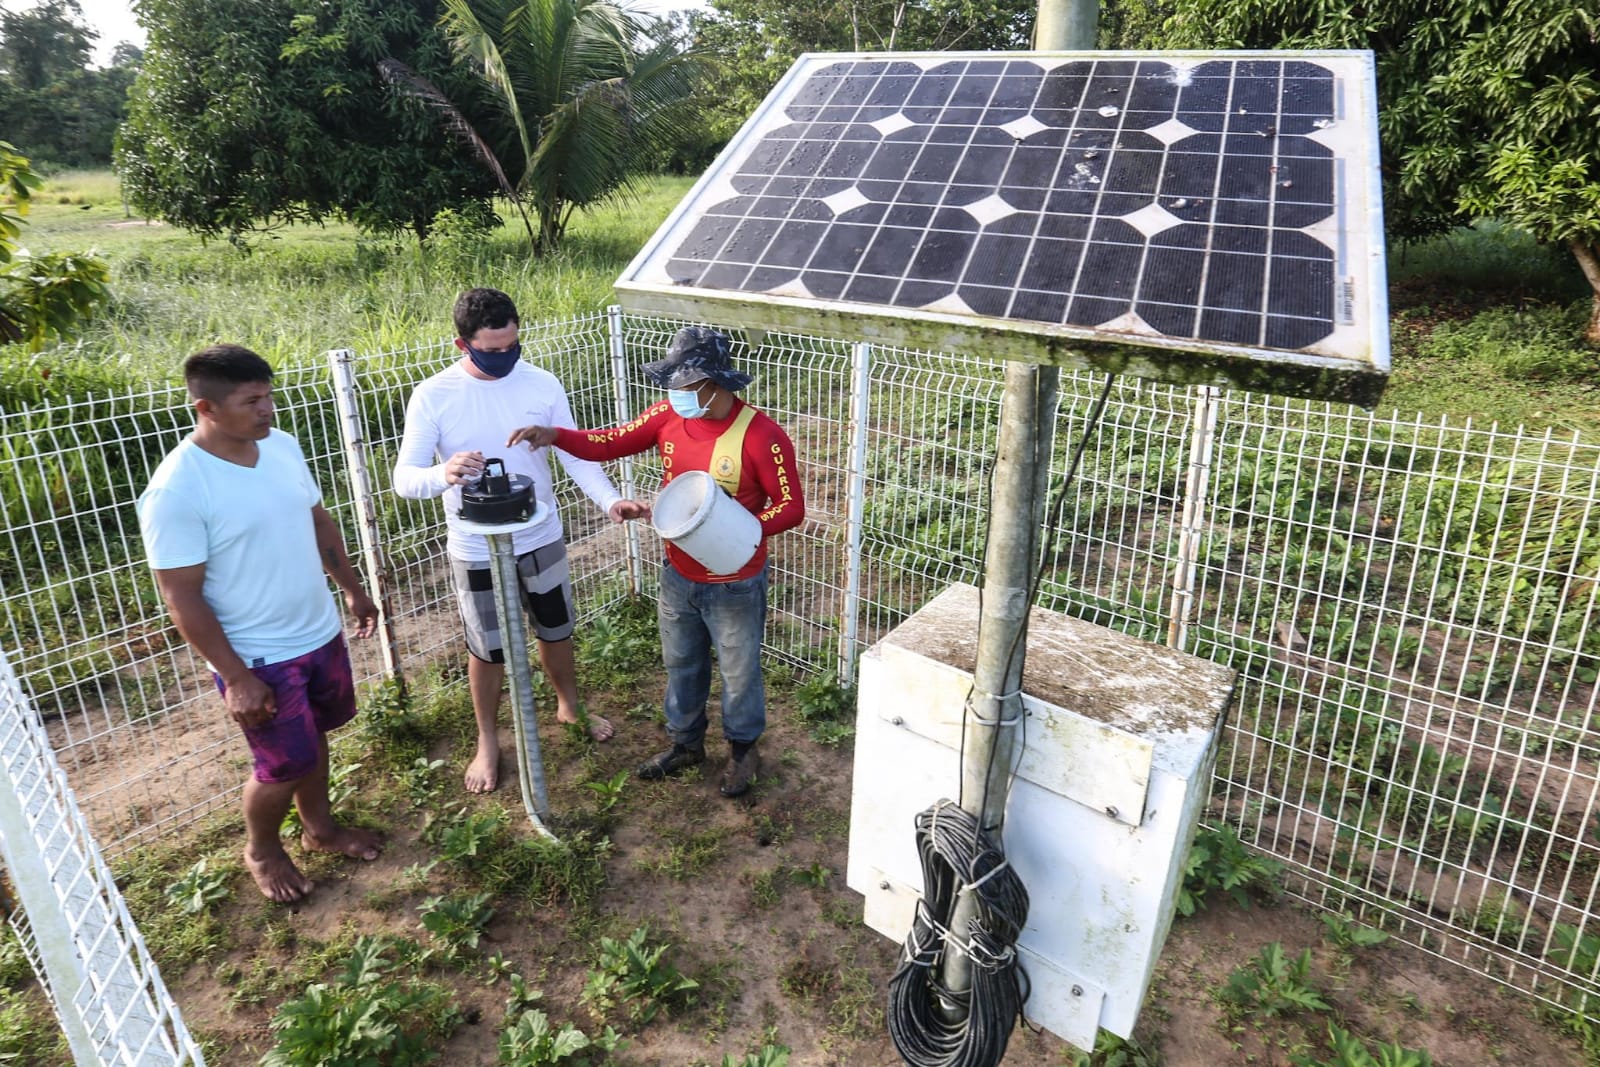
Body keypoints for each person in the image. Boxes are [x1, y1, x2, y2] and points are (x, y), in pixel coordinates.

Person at [508, 326, 805, 798]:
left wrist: (743, 535)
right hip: (679, 572)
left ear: (716, 383)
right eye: (675, 385)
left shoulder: (761, 436)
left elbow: (790, 507)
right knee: (682, 662)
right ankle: (686, 744)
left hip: (735, 581)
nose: (678, 394)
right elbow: (607, 443)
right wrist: (554, 436)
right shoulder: (667, 416)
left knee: (739, 669)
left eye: (687, 386)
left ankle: (743, 750)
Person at [137, 344, 382, 904]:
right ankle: (262, 850)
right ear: (207, 408)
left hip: (317, 630)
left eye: (269, 395)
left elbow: (317, 520)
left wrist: (352, 590)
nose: (268, 409)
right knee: (282, 762)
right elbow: (182, 598)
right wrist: (238, 677)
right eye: (253, 401)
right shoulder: (177, 490)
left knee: (315, 738)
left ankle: (320, 829)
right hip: (260, 657)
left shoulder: (281, 448)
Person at [393, 287, 648, 794]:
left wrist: (608, 501)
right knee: (487, 649)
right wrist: (444, 473)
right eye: (492, 350)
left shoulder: (541, 383)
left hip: (540, 535)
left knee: (555, 629)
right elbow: (404, 479)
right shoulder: (434, 395)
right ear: (461, 344)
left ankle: (568, 709)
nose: (506, 357)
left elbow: (574, 453)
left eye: (513, 345)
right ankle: (488, 740)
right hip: (475, 546)